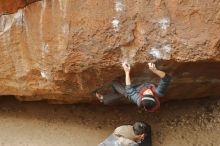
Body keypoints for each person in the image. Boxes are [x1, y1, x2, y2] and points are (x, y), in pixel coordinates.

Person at [95, 63, 171, 112]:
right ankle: (105, 99)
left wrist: (127, 72)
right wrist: (155, 70)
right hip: (140, 90)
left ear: (141, 97)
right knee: (124, 92)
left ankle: (104, 99)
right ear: (154, 97)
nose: (148, 91)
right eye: (149, 93)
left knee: (117, 85)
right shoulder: (158, 92)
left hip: (136, 91)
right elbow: (166, 78)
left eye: (146, 94)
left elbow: (129, 89)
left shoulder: (138, 99)